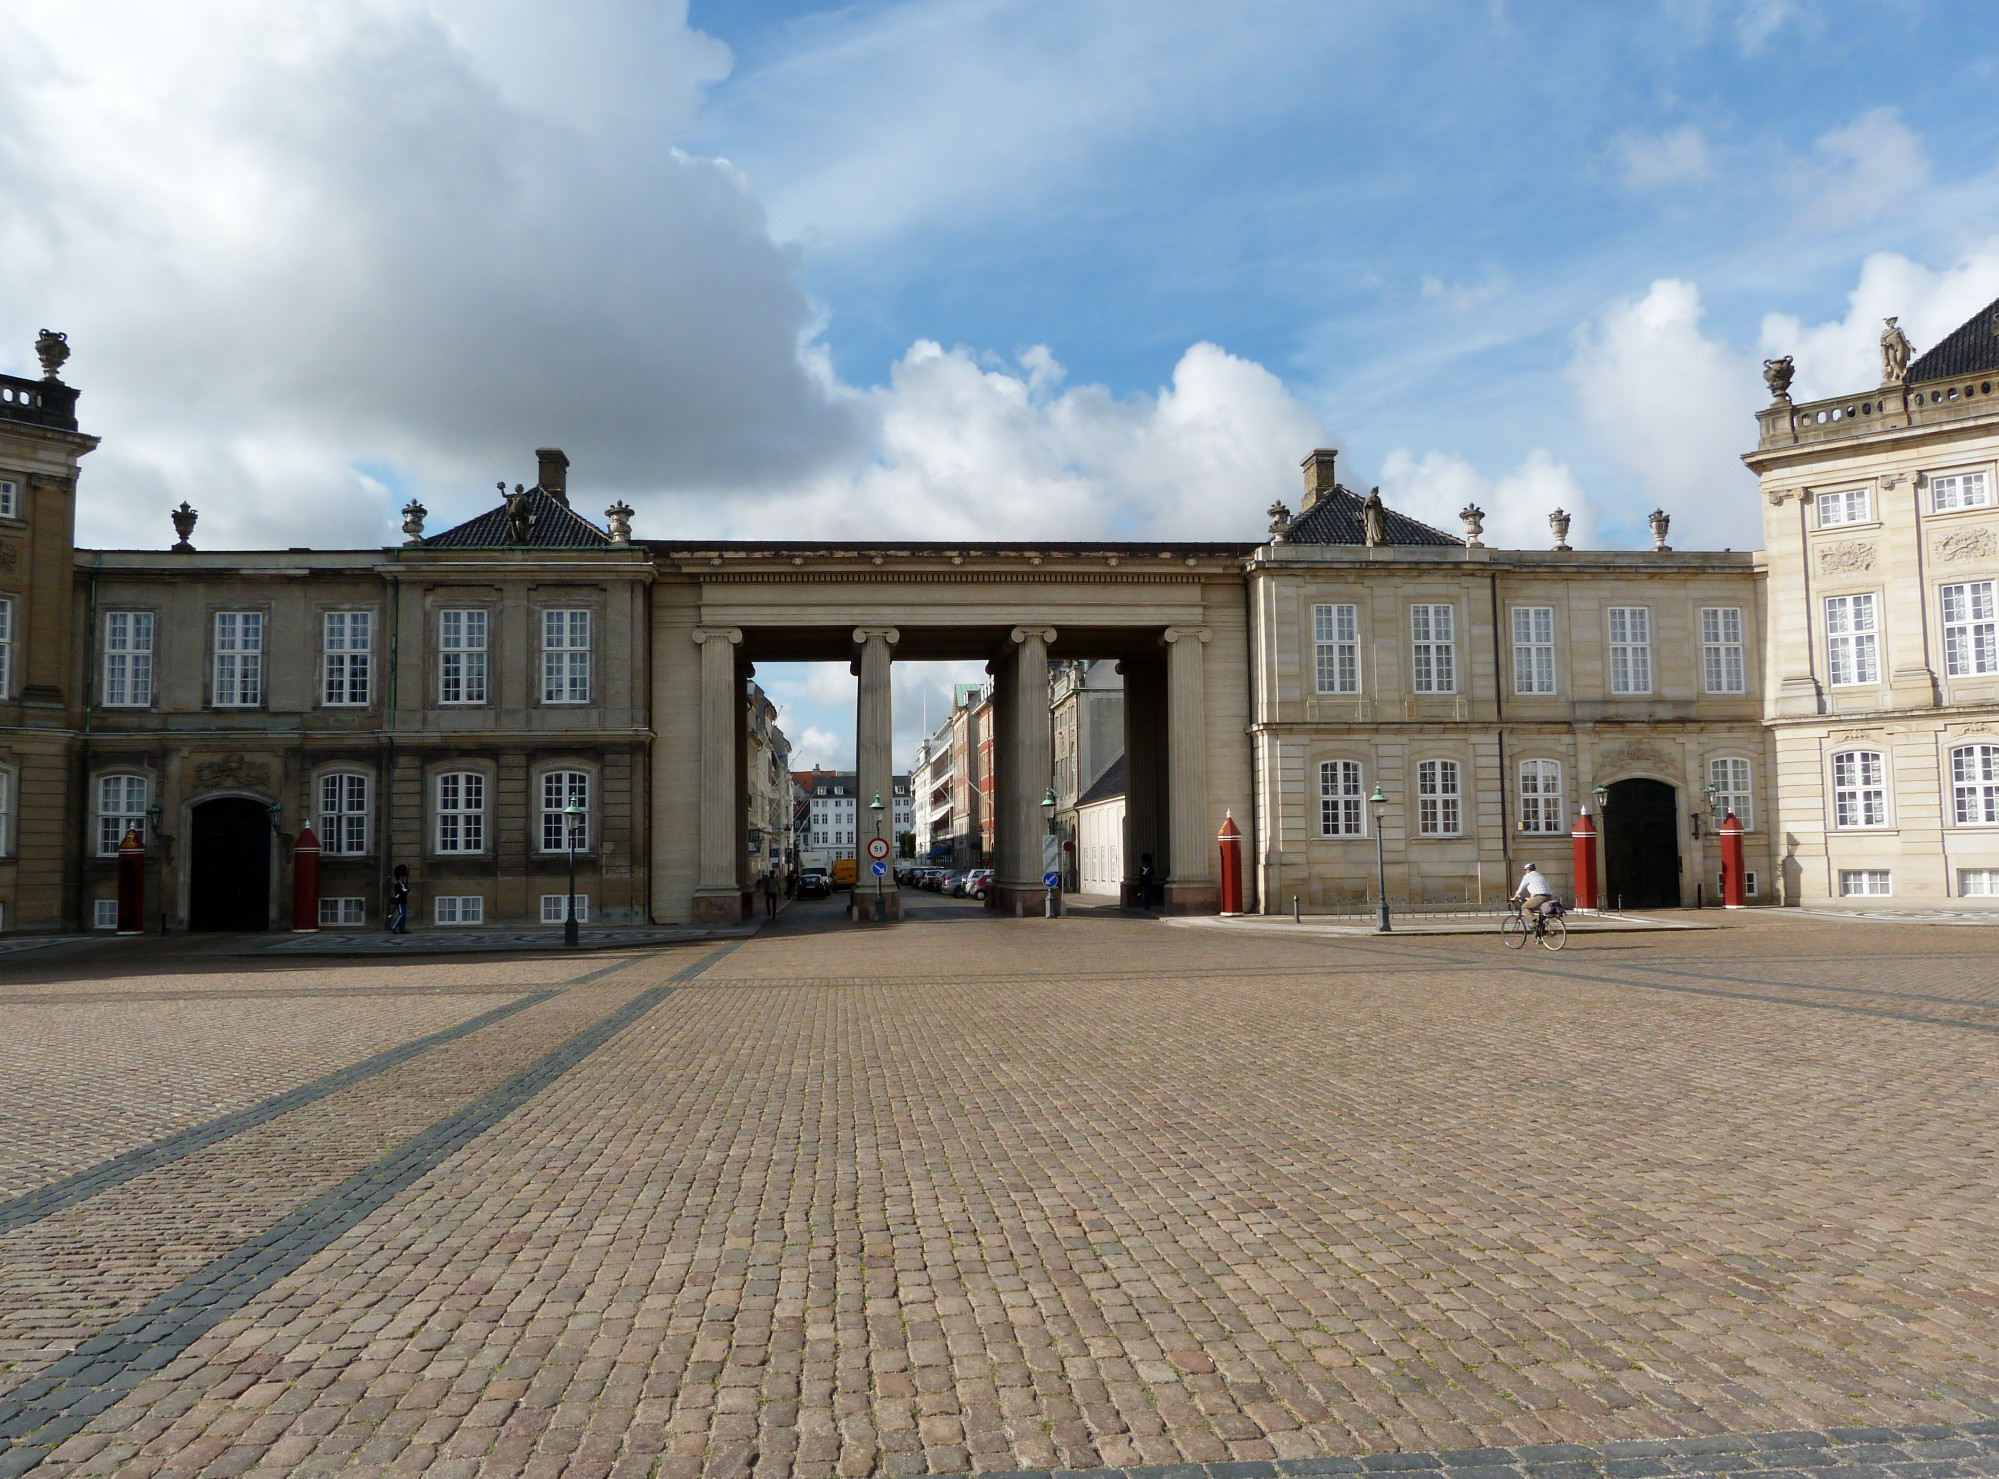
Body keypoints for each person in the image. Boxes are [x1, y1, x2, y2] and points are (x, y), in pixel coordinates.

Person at [1511, 862, 1558, 928]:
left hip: (1540, 897)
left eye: (1525, 870)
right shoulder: (1539, 875)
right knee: (1541, 911)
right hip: (1549, 896)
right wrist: (1531, 898)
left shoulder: (1527, 876)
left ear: (1527, 870)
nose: (1525, 872)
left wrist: (1514, 897)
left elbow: (1520, 888)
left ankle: (1535, 921)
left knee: (1524, 907)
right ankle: (1541, 930)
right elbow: (1537, 888)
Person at [387, 864, 410, 934]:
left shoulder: (403, 884)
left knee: (404, 915)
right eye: (403, 876)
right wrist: (405, 890)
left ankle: (402, 929)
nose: (404, 878)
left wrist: (406, 890)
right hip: (399, 901)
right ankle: (393, 927)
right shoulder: (397, 885)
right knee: (401, 914)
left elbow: (408, 890)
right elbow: (400, 892)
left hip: (404, 901)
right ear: (400, 876)